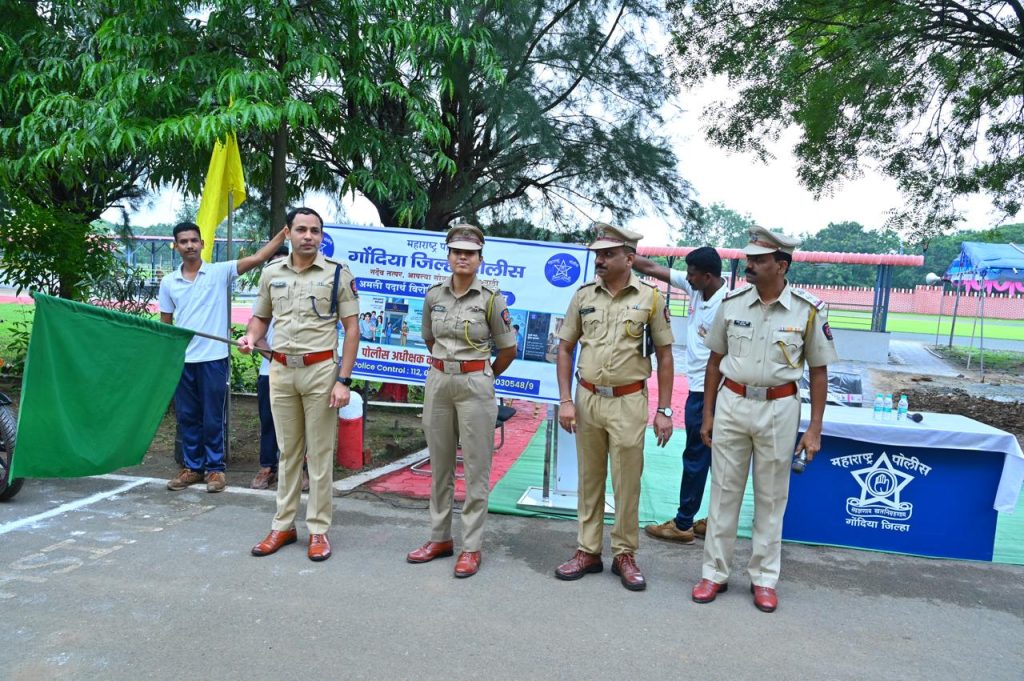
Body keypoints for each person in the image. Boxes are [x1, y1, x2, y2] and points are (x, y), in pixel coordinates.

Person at [691, 226, 838, 613]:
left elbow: (819, 371)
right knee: (723, 492)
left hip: (780, 407)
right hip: (732, 403)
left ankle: (764, 579)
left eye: (759, 259)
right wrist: (708, 414)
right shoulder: (732, 303)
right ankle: (714, 573)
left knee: (772, 497)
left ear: (781, 265)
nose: (750, 264)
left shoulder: (808, 310)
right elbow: (714, 363)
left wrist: (815, 428)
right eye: (749, 258)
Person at [553, 224, 675, 591]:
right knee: (589, 478)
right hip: (588, 398)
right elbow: (564, 349)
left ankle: (624, 553)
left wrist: (665, 410)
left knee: (627, 481)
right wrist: (565, 400)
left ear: (630, 258)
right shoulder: (583, 296)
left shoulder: (651, 299)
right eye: (598, 254)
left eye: (608, 254)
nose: (600, 260)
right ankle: (587, 550)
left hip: (629, 401)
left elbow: (665, 356)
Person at [240, 207, 360, 562]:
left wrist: (343, 380)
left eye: (315, 230)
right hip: (281, 370)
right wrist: (251, 337)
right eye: (302, 229)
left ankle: (318, 530)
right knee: (287, 452)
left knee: (319, 454)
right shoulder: (272, 273)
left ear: (321, 236)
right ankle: (283, 525)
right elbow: (260, 318)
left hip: (321, 371)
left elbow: (352, 329)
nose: (308, 236)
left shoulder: (337, 273)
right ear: (288, 233)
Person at [405, 224, 517, 578]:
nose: (463, 258)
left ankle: (471, 546)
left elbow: (508, 349)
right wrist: (448, 366)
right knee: (439, 465)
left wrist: (483, 375)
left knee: (475, 468)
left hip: (475, 384)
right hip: (439, 381)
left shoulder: (491, 299)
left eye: (470, 253)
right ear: (448, 255)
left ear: (480, 258)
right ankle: (439, 538)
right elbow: (429, 338)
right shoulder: (433, 296)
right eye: (457, 252)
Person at [160, 221, 286, 493]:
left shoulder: (220, 272)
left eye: (194, 240)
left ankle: (215, 470)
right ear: (176, 246)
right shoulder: (169, 282)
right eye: (184, 241)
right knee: (187, 417)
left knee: (213, 417)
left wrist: (283, 233)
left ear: (202, 244)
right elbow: (166, 325)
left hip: (214, 359)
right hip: (184, 361)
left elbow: (258, 258)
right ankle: (193, 468)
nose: (190, 245)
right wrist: (169, 359)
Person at [633, 247, 728, 544]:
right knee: (715, 458)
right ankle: (713, 520)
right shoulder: (696, 289)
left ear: (707, 276)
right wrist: (622, 251)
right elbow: (650, 268)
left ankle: (683, 523)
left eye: (692, 274)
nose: (687, 278)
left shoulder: (728, 304)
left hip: (712, 392)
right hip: (701, 388)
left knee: (699, 458)